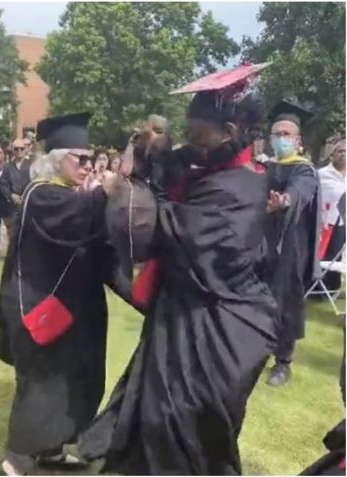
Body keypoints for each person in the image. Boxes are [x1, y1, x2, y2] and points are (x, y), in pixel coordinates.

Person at [78, 64, 277, 475]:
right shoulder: (212, 168)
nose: (193, 145)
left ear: (232, 132)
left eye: (200, 135)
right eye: (189, 133)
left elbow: (174, 229)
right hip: (180, 317)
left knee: (181, 422)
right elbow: (173, 174)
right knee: (149, 414)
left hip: (215, 330)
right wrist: (155, 148)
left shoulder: (242, 188)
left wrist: (122, 194)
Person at [0, 113, 115, 476]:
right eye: (82, 158)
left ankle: (54, 448)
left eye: (91, 159)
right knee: (43, 385)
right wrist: (103, 194)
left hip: (69, 306)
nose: (89, 165)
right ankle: (18, 457)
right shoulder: (40, 195)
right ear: (57, 158)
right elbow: (75, 212)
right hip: (39, 304)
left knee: (75, 378)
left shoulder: (65, 194)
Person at [263, 100, 321, 387]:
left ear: (298, 141)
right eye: (277, 134)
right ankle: (255, 350)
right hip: (261, 245)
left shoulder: (305, 170)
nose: (281, 139)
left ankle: (283, 363)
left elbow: (301, 193)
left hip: (290, 250)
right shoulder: (265, 167)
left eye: (287, 134)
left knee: (285, 303)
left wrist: (285, 202)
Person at [316, 137, 345, 292]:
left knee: (338, 257)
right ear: (333, 154)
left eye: (346, 151)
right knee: (325, 256)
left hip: (343, 222)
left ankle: (333, 288)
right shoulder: (322, 174)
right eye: (340, 151)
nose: (344, 154)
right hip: (326, 221)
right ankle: (318, 289)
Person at [2, 138, 32, 240]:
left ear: (25, 149)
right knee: (13, 236)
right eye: (16, 148)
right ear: (13, 150)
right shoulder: (7, 167)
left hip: (29, 205)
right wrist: (11, 195)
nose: (19, 151)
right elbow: (2, 185)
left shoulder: (32, 165)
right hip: (13, 207)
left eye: (21, 148)